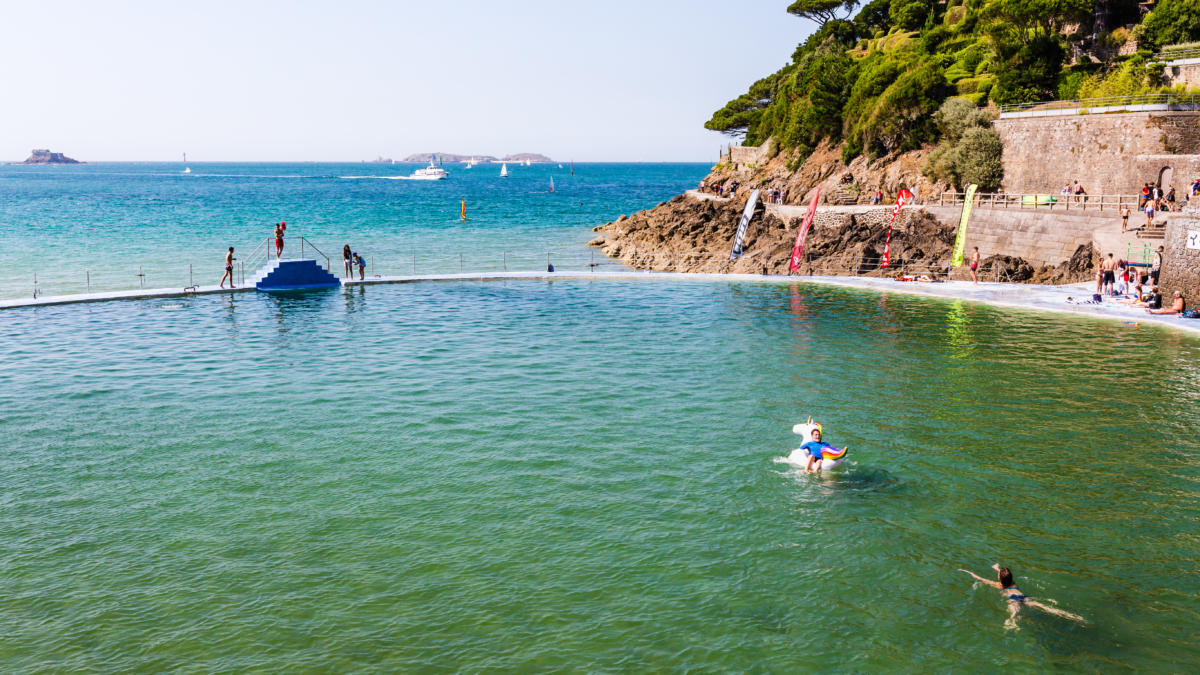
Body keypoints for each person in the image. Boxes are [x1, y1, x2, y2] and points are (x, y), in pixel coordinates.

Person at [959, 564, 1085, 629]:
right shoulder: (1012, 583)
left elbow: (980, 579)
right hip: (1024, 597)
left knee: (1014, 614)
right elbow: (1004, 576)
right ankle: (1073, 617)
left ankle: (1012, 623)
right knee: (1046, 607)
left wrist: (969, 572)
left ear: (1000, 579)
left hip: (1013, 600)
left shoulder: (999, 586)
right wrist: (997, 568)